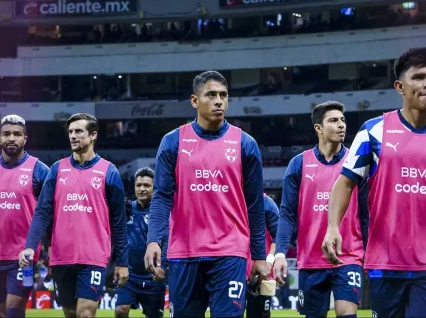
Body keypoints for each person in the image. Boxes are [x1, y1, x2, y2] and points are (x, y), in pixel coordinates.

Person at [322, 47, 426, 318]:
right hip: (385, 261)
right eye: (419, 77)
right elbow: (344, 184)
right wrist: (333, 227)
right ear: (400, 87)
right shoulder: (373, 131)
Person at [144, 70, 270, 318]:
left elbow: (255, 206)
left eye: (223, 95)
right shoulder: (173, 142)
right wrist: (153, 239)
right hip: (184, 253)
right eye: (211, 95)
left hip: (230, 252)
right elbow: (161, 197)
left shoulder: (246, 144)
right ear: (194, 101)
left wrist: (258, 256)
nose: (218, 101)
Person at [18, 113, 129, 318]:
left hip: (94, 257)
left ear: (93, 135)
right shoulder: (56, 170)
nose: (73, 136)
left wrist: (122, 262)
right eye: (70, 132)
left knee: (85, 314)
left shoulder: (109, 171)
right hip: (61, 258)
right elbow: (42, 212)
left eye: (78, 131)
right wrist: (30, 246)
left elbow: (119, 222)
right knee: (70, 314)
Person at [273, 101, 367, 318]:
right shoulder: (298, 165)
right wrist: (279, 253)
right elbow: (287, 214)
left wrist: (370, 254)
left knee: (347, 313)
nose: (341, 125)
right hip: (311, 259)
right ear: (319, 128)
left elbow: (366, 213)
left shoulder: (356, 162)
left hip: (349, 256)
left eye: (343, 120)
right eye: (333, 121)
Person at [0, 115, 49, 318]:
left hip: (24, 257)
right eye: (6, 134)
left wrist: (50, 248)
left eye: (17, 134)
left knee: (14, 312)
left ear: (25, 138)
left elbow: (50, 213)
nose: (12, 138)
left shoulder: (39, 170)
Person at [115, 167, 167, 318]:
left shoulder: (160, 213)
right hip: (129, 275)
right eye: (139, 185)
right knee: (121, 310)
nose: (142, 189)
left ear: (154, 187)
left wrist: (162, 265)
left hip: (153, 276)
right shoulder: (127, 209)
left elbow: (167, 240)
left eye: (146, 185)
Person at [245, 193, 279, 318]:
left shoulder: (266, 202)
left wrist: (269, 261)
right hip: (233, 270)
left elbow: (279, 236)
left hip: (261, 275)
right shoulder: (226, 198)